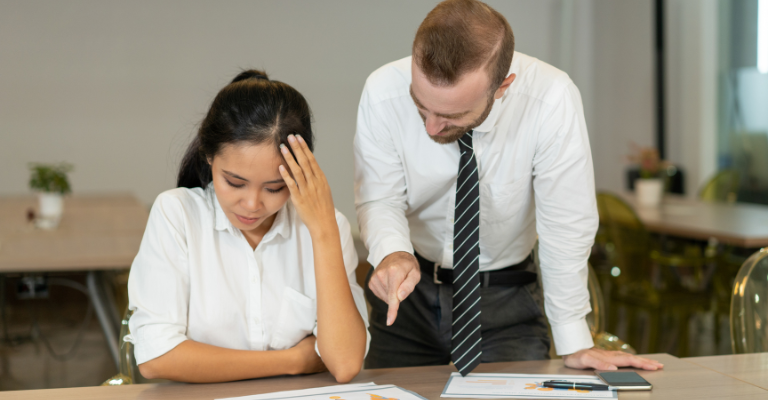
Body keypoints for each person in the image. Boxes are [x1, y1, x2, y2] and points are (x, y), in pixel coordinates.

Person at [354, 0, 663, 375]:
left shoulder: (551, 98)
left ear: (503, 86)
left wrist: (574, 338)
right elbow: (380, 197)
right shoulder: (382, 90)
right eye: (421, 107)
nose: (432, 127)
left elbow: (565, 225)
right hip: (408, 297)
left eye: (452, 116)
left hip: (508, 299)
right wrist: (392, 252)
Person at [126, 70, 368, 383]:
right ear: (209, 155)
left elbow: (346, 363)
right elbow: (156, 358)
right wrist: (293, 360)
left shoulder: (326, 227)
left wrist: (323, 233)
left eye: (274, 188)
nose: (253, 204)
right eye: (235, 183)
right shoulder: (177, 215)